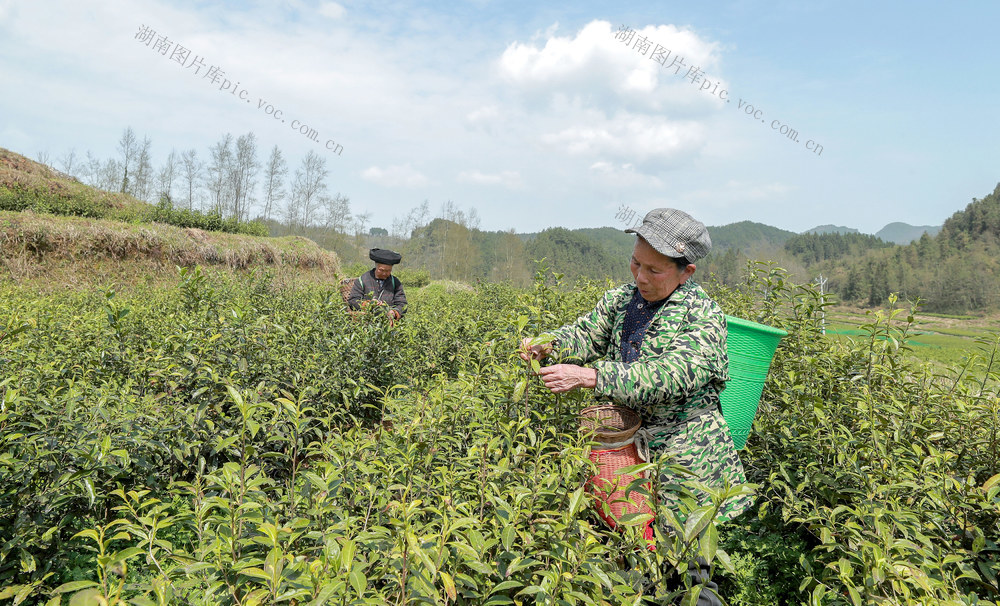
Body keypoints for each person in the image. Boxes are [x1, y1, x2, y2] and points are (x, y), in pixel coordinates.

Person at [519, 208, 751, 605]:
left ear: (686, 272)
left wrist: (592, 376)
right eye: (635, 263)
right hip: (626, 454)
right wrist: (550, 343)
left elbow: (674, 374)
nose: (640, 277)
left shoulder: (703, 316)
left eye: (654, 270)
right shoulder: (622, 300)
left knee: (688, 575)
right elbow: (584, 333)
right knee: (629, 560)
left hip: (683, 461)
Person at [347, 248, 407, 322]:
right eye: (381, 270)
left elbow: (402, 303)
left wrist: (394, 312)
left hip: (387, 325)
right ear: (376, 267)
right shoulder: (362, 280)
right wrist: (369, 304)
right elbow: (353, 300)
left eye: (388, 271)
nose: (385, 273)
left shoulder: (395, 282)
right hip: (366, 324)